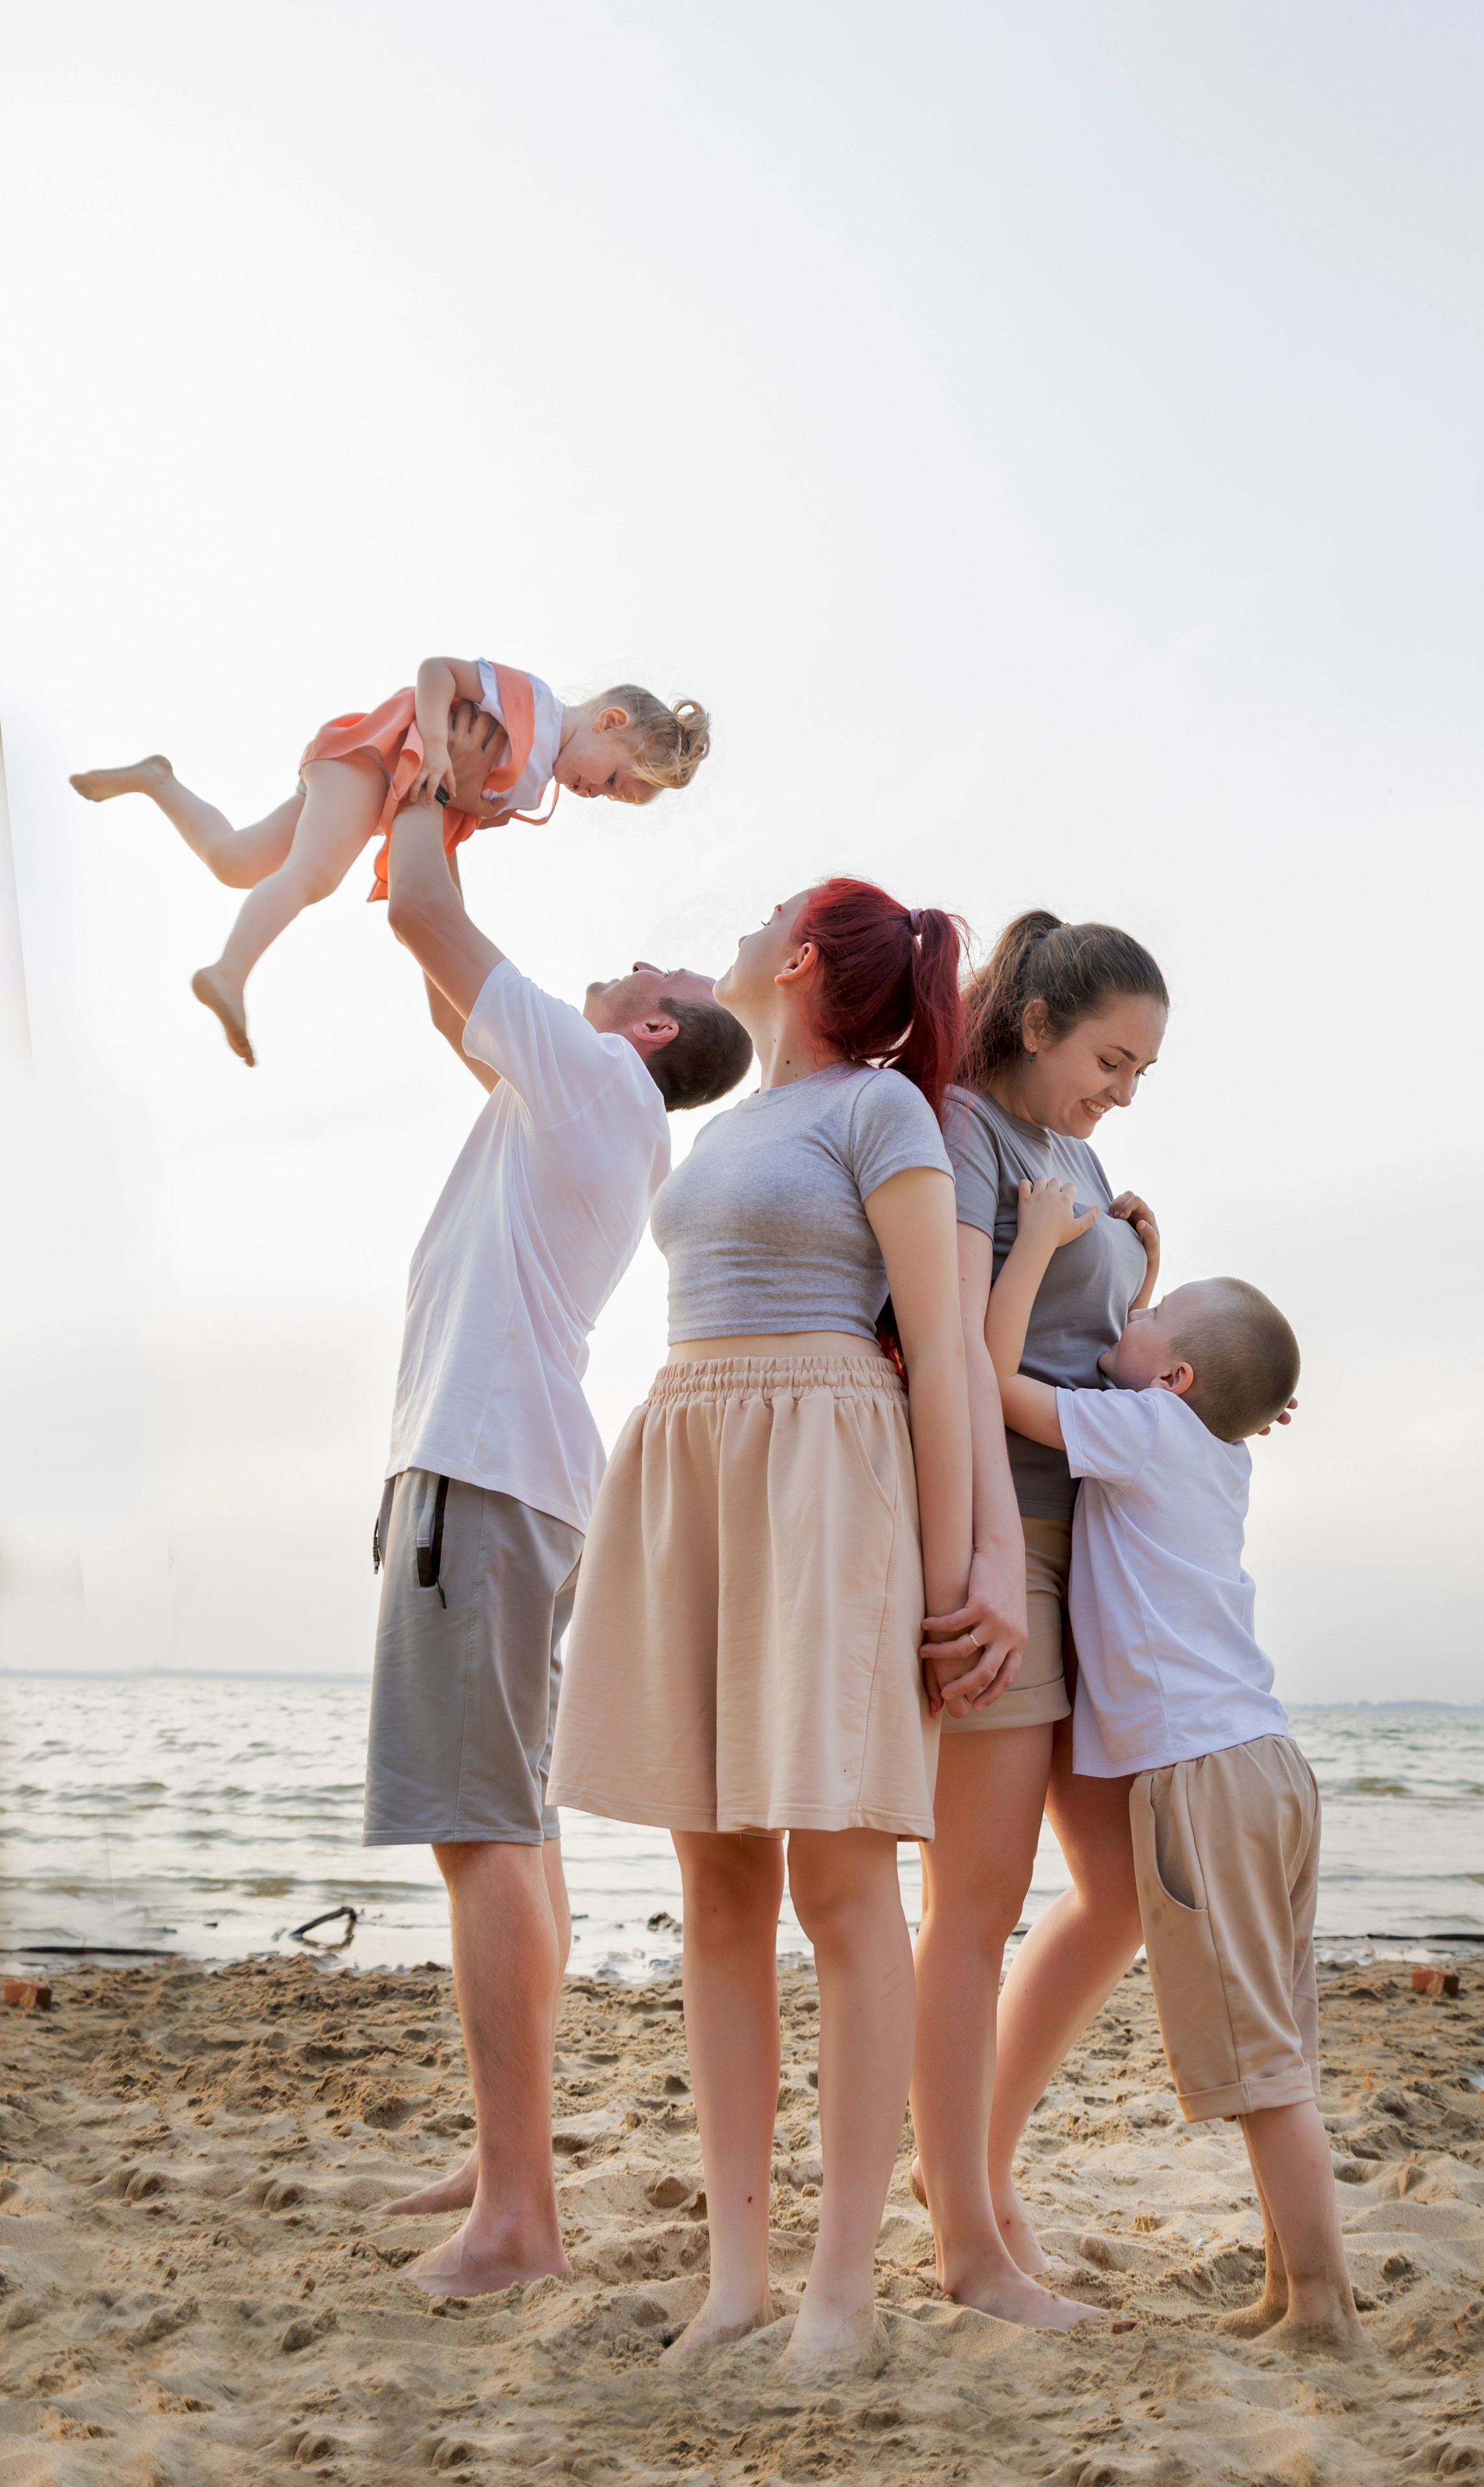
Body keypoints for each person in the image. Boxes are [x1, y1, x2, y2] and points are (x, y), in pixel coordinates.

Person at [550, 879, 1068, 2370]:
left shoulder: (884, 1115)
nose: (736, 921)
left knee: (839, 1886)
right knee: (715, 1889)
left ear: (792, 961)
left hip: (827, 1470)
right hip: (694, 1458)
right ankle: (735, 2278)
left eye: (764, 910)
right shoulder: (724, 1125)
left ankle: (840, 2288)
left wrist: (965, 1555)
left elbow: (945, 1361)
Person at [359, 770, 751, 2302]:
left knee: (481, 1831)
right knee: (510, 1820)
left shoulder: (591, 1084)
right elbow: (435, 969)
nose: (624, 963)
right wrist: (439, 835)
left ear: (645, 1030)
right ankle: (499, 2153)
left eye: (644, 974)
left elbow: (416, 913)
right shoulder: (576, 1103)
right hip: (506, 1480)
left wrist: (421, 782)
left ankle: (518, 2212)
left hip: (484, 1475)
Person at [987, 1178, 1370, 2361]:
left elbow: (997, 1382)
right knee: (1279, 2039)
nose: (1126, 1327)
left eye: (1149, 1324)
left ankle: (1322, 2304)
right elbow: (1146, 1364)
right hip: (1265, 1767)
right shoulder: (1203, 1445)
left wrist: (1042, 1245)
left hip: (1200, 1782)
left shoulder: (1146, 1430)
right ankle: (1287, 2286)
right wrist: (1147, 1291)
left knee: (1257, 2068)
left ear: (1178, 1381)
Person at [907, 912, 1169, 2312]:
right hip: (1008, 1542)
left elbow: (1093, 1344)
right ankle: (965, 2243)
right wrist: (980, 1563)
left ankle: (978, 2176)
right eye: (1109, 1059)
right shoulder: (958, 1129)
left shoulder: (1079, 1159)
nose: (1119, 1091)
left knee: (1116, 1893)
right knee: (975, 1903)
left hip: (1105, 1553)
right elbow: (952, 1350)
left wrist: (1146, 1263)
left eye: (1135, 1074)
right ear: (1035, 1022)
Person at [69, 658, 710, 1064]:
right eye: (613, 780)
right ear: (609, 720)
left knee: (236, 861)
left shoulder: (533, 785)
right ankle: (229, 972)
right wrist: (433, 741)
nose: (598, 794)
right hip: (374, 759)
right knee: (313, 876)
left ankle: (157, 780)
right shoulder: (532, 707)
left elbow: (453, 818)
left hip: (377, 792)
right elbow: (437, 672)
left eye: (614, 799)